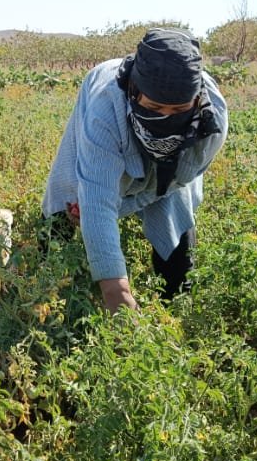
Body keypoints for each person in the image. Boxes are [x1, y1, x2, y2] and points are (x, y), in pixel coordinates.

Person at [42, 28, 228, 312]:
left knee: (173, 208)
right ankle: (42, 271)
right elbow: (98, 194)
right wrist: (116, 292)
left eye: (179, 110)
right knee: (71, 193)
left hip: (173, 174)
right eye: (154, 106)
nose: (165, 117)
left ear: (196, 100)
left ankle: (176, 299)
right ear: (134, 92)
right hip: (103, 109)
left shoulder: (211, 119)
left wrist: (123, 206)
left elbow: (176, 182)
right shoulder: (106, 107)